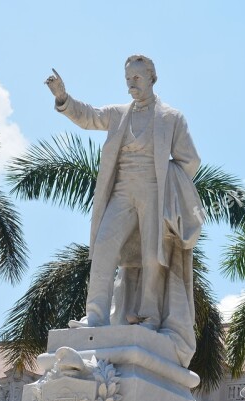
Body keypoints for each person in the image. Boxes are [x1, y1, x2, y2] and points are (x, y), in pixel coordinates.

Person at [45, 55, 202, 366]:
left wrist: (169, 180)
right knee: (103, 248)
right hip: (121, 191)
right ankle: (95, 316)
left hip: (154, 191)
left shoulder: (172, 117)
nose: (131, 83)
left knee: (152, 255)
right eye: (127, 78)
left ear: (152, 78)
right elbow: (89, 116)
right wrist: (63, 98)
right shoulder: (118, 114)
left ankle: (149, 317)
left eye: (137, 78)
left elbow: (191, 161)